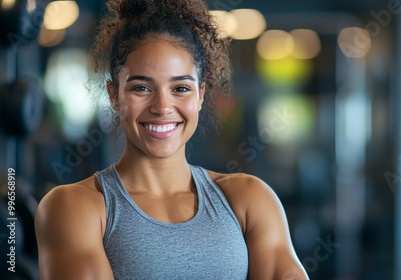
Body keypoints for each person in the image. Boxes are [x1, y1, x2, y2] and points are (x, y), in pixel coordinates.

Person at [35, 0, 309, 279]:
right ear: (113, 94)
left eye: (180, 88)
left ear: (201, 95)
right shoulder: (75, 206)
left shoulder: (250, 200)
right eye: (141, 87)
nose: (162, 106)